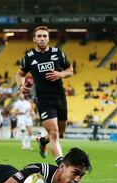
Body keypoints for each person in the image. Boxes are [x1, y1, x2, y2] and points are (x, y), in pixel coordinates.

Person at [16, 26, 74, 165]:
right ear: (34, 39)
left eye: (45, 36)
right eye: (39, 36)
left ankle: (42, 141)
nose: (42, 39)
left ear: (48, 38)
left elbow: (70, 70)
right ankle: (61, 164)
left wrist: (60, 74)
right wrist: (20, 86)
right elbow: (19, 74)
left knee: (61, 133)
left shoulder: (58, 53)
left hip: (60, 97)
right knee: (54, 133)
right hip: (43, 99)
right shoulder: (29, 57)